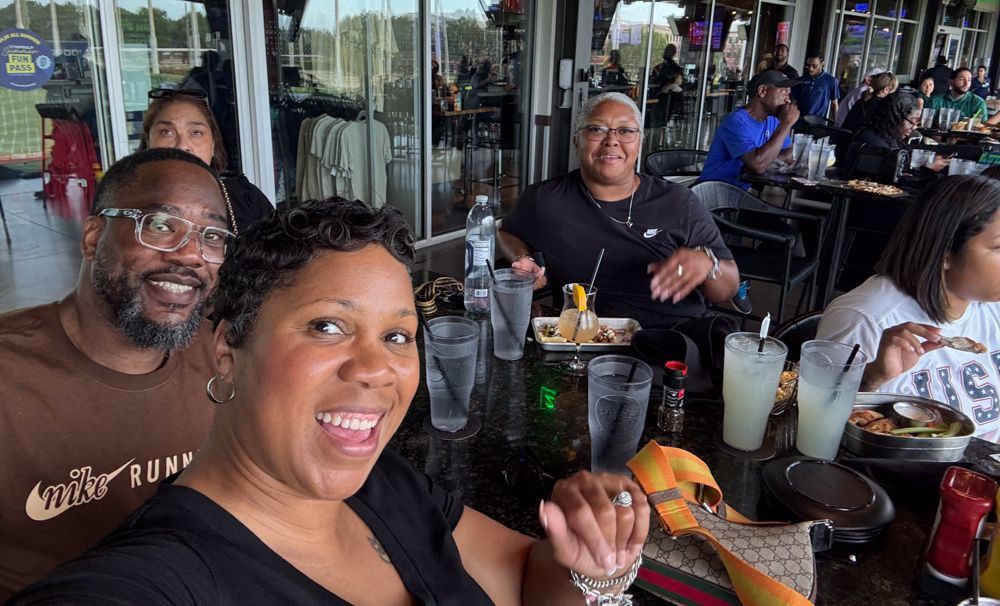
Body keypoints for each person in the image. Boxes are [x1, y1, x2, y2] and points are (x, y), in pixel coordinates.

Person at [11, 199, 650, 605]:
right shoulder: (164, 580)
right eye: (327, 326)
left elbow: (523, 581)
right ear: (227, 349)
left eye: (398, 335)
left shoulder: (385, 486)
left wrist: (591, 563)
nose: (377, 368)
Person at [0, 148, 233, 599]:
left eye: (213, 235)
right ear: (93, 237)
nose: (191, 254)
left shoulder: (224, 354)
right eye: (161, 225)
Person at [499, 92, 739, 329]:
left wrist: (707, 264)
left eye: (625, 131)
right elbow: (508, 232)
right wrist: (524, 258)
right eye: (596, 129)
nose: (611, 140)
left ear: (640, 142)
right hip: (584, 335)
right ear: (576, 140)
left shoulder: (678, 202)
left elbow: (727, 289)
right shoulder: (545, 199)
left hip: (674, 339)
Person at [817, 175, 1000, 442]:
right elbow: (818, 424)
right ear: (945, 252)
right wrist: (870, 379)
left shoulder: (991, 309)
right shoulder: (866, 319)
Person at [140, 88, 273, 233]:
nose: (183, 146)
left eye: (196, 132)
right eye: (167, 132)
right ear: (148, 142)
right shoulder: (129, 203)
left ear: (213, 144)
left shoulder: (246, 199)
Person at [699, 69, 800, 190]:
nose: (788, 100)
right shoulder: (736, 121)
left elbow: (789, 152)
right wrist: (786, 124)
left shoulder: (772, 121)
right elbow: (758, 165)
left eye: (789, 94)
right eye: (784, 92)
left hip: (739, 195)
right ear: (763, 91)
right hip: (712, 195)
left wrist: (770, 159)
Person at [926, 68, 995, 124]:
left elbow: (981, 129)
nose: (966, 84)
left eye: (969, 80)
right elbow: (926, 124)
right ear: (951, 82)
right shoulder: (935, 100)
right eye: (962, 79)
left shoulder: (978, 103)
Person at [792, 53, 840, 121]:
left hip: (818, 123)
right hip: (799, 120)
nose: (810, 69)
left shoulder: (831, 81)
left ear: (822, 64)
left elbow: (834, 104)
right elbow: (793, 102)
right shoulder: (800, 80)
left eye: (814, 66)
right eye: (808, 66)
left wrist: (837, 123)